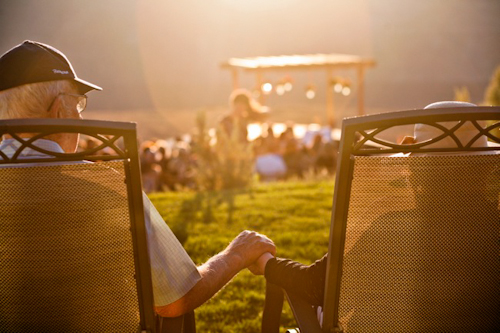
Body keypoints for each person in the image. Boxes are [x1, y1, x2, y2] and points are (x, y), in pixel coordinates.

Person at [0, 40, 276, 318]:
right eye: (78, 105)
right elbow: (175, 299)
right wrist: (235, 255)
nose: (81, 116)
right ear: (60, 111)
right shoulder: (109, 189)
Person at [251, 101, 499, 329]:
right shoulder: (493, 230)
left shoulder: (392, 230)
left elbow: (317, 286)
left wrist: (267, 265)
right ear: (484, 170)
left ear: (419, 170)